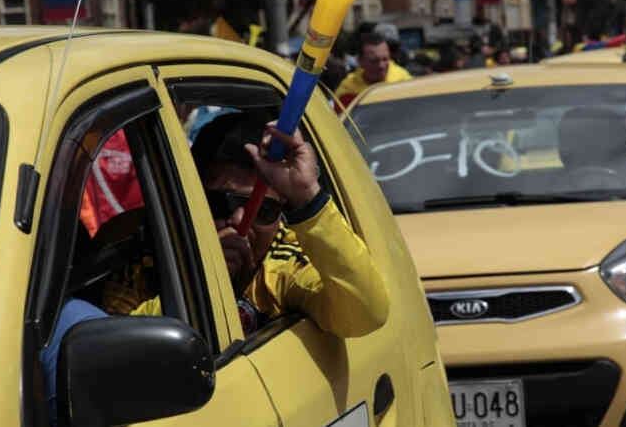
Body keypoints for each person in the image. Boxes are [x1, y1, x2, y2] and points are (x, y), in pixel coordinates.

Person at [41, 112, 389, 417]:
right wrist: (207, 279)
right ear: (191, 198)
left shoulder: (286, 260)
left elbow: (365, 312)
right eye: (219, 202)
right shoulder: (140, 241)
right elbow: (111, 359)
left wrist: (308, 198)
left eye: (262, 211)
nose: (240, 220)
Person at [334, 32, 412, 110]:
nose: (381, 65)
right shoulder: (348, 89)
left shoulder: (404, 81)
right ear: (360, 61)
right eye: (374, 61)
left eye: (385, 59)